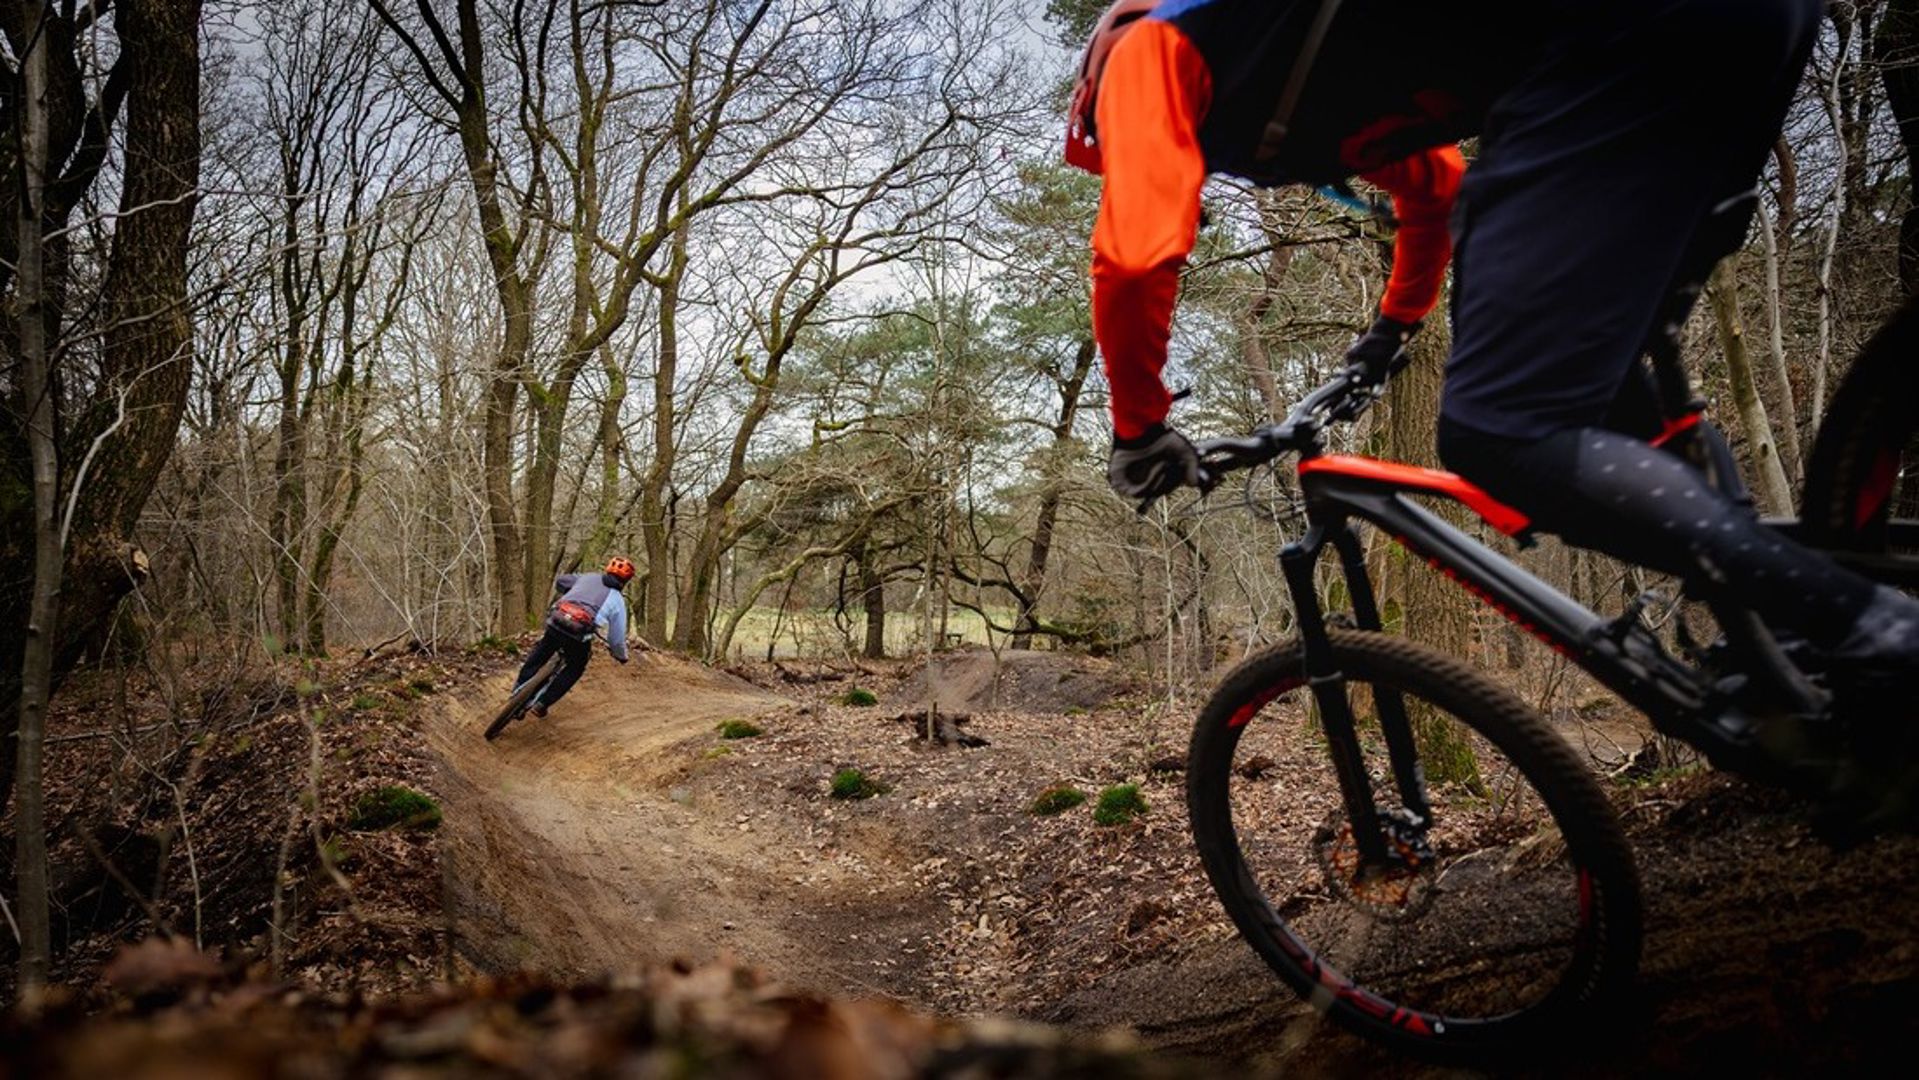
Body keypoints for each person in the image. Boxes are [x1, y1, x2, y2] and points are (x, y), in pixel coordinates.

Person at [1071, 1, 1919, 698]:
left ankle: (1869, 627)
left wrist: (1139, 426)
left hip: (1629, 38)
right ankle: (1783, 655)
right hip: (1748, 32)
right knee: (1608, 372)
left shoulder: (1153, 47)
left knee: (1501, 428)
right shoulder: (1288, 67)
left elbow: (1136, 253)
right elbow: (1431, 186)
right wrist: (1389, 333)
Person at [514, 556, 634, 717]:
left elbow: (562, 581)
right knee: (575, 667)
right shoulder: (618, 601)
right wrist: (620, 655)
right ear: (626, 581)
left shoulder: (588, 577)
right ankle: (542, 703)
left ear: (607, 569)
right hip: (578, 633)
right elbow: (617, 638)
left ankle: (517, 691)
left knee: (540, 653)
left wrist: (571, 590)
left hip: (557, 620)